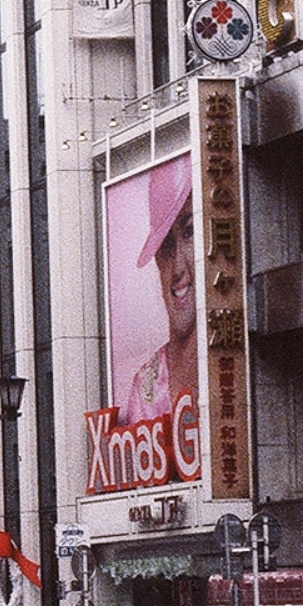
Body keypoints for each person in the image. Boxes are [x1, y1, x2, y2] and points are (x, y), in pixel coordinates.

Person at [120, 161, 197, 426]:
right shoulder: (147, 385)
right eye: (165, 245)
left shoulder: (243, 357)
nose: (177, 268)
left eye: (190, 232)